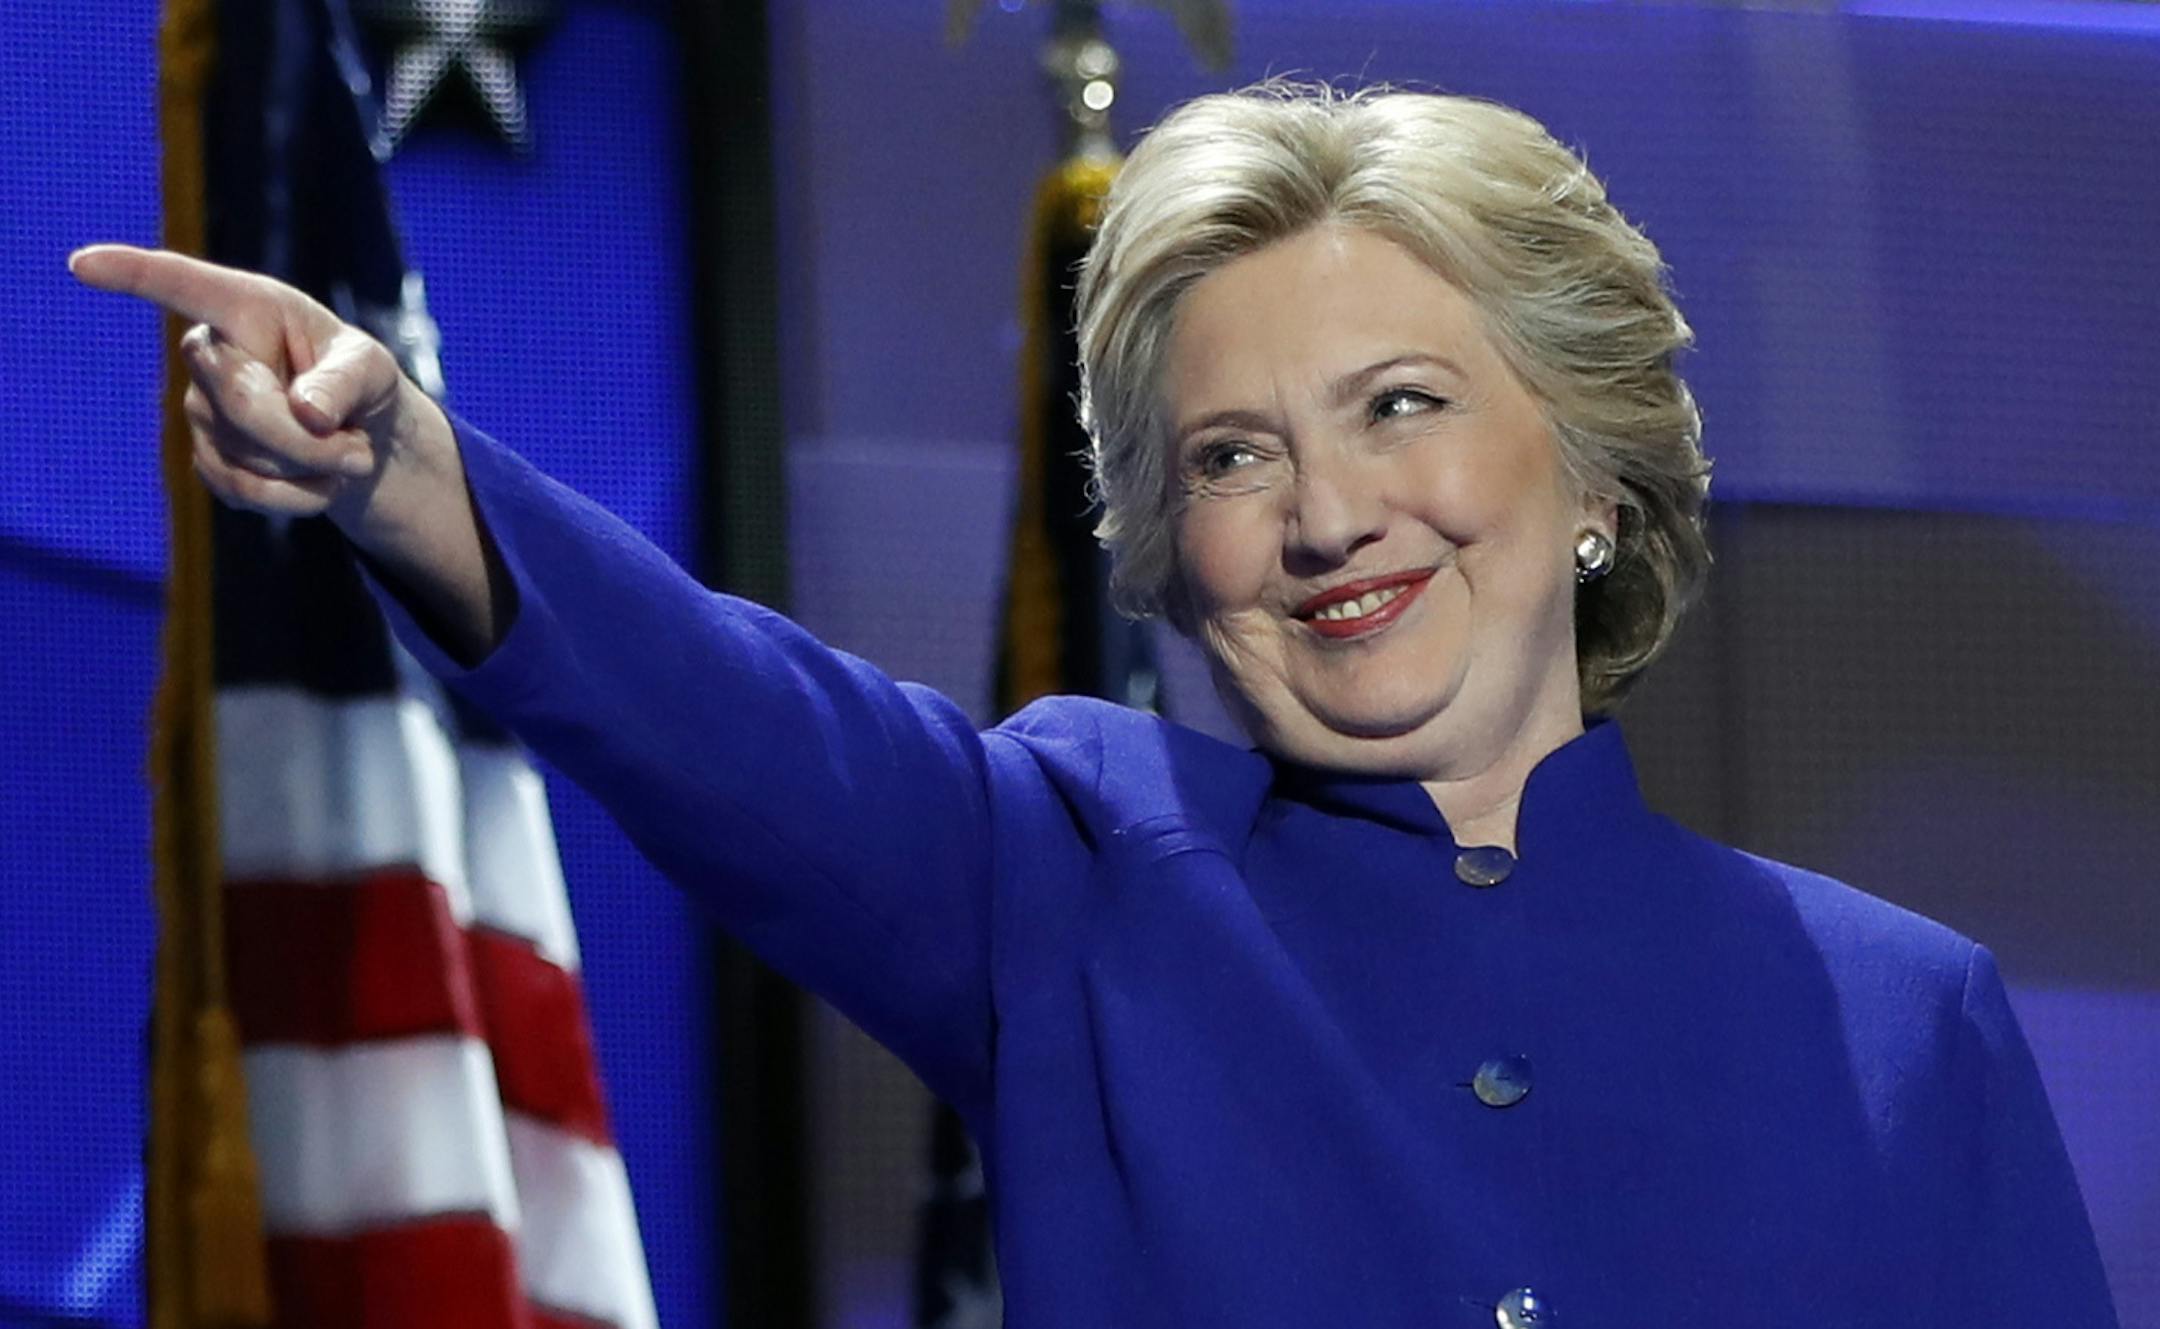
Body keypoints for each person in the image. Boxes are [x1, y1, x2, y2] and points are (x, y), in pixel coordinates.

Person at [74, 83, 2118, 1328]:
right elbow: (729, 716)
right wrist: (407, 470)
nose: (1325, 514)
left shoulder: (1900, 1014)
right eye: (1230, 455)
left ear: (1588, 471)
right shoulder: (1077, 873)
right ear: (1171, 551)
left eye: (1400, 406)